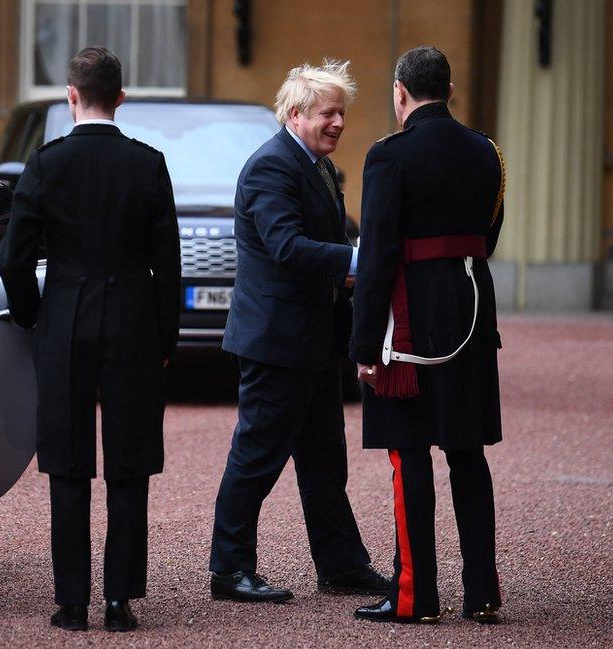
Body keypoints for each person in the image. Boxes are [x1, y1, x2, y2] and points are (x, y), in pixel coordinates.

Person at [0, 47, 180, 633]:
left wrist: (33, 316)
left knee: (68, 461)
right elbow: (168, 264)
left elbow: (14, 260)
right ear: (120, 99)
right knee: (127, 462)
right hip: (131, 314)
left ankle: (72, 601)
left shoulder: (46, 163)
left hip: (67, 315)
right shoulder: (149, 164)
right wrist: (165, 337)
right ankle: (119, 600)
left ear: (71, 96)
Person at [209, 60, 389, 603]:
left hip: (308, 341)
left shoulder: (314, 166)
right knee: (257, 457)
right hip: (276, 343)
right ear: (295, 113)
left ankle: (339, 565)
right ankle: (229, 570)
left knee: (323, 460)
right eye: (328, 113)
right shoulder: (273, 167)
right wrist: (362, 260)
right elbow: (286, 247)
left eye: (342, 113)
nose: (338, 123)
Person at [350, 46, 505, 624]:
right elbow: (488, 236)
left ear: (400, 92)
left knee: (408, 453)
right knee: (467, 453)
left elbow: (379, 254)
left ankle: (415, 595)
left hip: (409, 318)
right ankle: (482, 593)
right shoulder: (487, 151)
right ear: (450, 88)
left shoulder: (389, 156)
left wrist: (364, 345)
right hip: (470, 310)